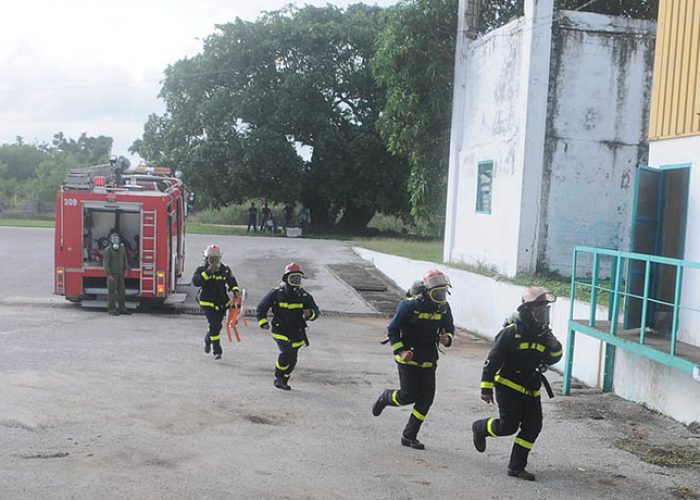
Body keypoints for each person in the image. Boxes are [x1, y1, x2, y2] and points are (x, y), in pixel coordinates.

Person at [471, 286, 563, 481]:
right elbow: (492, 361)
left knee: (533, 427)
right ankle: (480, 428)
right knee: (508, 427)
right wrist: (486, 387)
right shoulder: (510, 333)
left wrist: (555, 347)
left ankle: (516, 467)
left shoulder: (544, 334)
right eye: (540, 310)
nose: (544, 315)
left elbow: (552, 358)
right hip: (508, 387)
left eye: (546, 310)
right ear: (528, 310)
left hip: (531, 388)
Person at [372, 269, 455, 450]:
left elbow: (449, 327)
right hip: (408, 359)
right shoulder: (410, 306)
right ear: (426, 291)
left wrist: (447, 338)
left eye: (443, 291)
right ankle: (386, 397)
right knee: (407, 396)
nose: (441, 295)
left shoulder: (443, 307)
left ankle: (409, 436)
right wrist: (400, 351)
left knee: (426, 399)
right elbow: (392, 329)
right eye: (437, 292)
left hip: (429, 359)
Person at [256, 263, 319, 390]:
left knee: (293, 359)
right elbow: (261, 308)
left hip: (297, 332)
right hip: (280, 330)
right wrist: (263, 322)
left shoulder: (304, 296)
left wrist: (310, 314)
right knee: (286, 352)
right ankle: (278, 377)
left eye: (298, 278)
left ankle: (284, 378)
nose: (296, 281)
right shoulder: (276, 293)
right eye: (293, 278)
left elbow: (315, 312)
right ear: (286, 279)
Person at [192, 244, 240, 360]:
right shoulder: (201, 270)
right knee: (214, 324)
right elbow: (196, 282)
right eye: (211, 259)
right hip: (207, 302)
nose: (214, 262)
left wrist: (235, 291)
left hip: (221, 302)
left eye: (216, 259)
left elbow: (232, 281)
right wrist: (208, 272)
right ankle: (217, 350)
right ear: (206, 259)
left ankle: (208, 339)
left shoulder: (224, 269)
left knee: (217, 326)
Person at [103, 233, 130, 315]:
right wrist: (109, 274)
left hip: (120, 274)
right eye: (113, 239)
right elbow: (106, 264)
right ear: (110, 240)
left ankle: (122, 309)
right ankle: (112, 310)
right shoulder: (107, 250)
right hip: (112, 274)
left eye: (117, 238)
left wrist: (126, 269)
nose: (115, 240)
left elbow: (125, 259)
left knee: (122, 292)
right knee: (112, 293)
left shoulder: (122, 249)